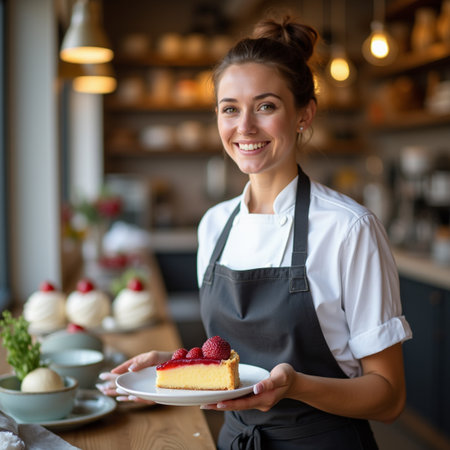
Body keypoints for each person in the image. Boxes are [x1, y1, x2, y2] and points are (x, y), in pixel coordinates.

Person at [98, 15, 412, 449]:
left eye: (266, 106)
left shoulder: (348, 229)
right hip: (234, 441)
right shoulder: (214, 225)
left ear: (304, 114)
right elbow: (240, 363)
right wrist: (176, 365)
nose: (244, 127)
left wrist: (296, 385)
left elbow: (389, 397)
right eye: (230, 108)